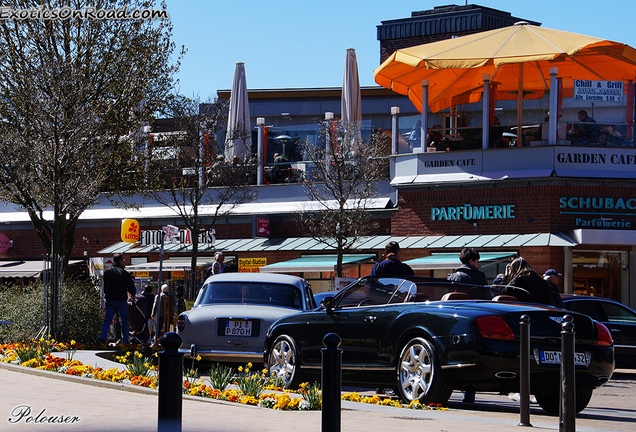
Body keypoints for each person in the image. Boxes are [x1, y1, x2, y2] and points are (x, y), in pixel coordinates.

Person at [447, 247, 486, 404]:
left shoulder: (454, 276)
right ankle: (469, 395)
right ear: (471, 261)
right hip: (476, 319)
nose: (478, 264)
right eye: (477, 261)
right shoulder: (480, 277)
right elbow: (486, 299)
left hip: (456, 320)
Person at [98, 253, 136, 344]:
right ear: (120, 261)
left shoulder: (107, 273)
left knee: (107, 319)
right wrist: (133, 294)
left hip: (110, 300)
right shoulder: (124, 273)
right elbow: (130, 287)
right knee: (124, 320)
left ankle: (102, 338)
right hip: (121, 300)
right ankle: (125, 340)